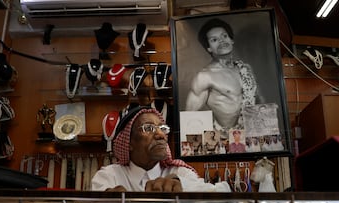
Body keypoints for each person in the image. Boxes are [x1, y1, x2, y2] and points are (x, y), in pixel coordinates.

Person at [91, 106, 231, 192]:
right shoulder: (110, 176)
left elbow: (223, 191)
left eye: (162, 128)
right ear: (129, 142)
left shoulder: (179, 173)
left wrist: (181, 185)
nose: (160, 134)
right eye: (148, 128)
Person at [185, 18, 259, 136]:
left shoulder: (245, 69)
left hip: (252, 135)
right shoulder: (205, 76)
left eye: (224, 36)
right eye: (214, 40)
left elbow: (255, 100)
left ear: (231, 40)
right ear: (209, 48)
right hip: (225, 140)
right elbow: (189, 116)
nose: (222, 41)